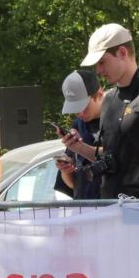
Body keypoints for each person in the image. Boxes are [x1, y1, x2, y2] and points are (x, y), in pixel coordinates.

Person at [63, 24, 139, 200]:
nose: (98, 71)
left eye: (102, 62)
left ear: (122, 53)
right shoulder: (108, 99)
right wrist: (78, 147)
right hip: (110, 208)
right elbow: (110, 156)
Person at [55, 70, 105, 200]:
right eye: (75, 109)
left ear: (99, 94)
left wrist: (80, 148)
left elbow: (120, 158)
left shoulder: (119, 120)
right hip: (82, 208)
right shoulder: (77, 126)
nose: (81, 113)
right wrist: (66, 170)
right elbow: (73, 184)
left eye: (84, 106)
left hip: (111, 208)